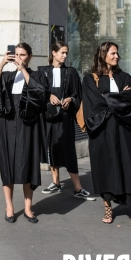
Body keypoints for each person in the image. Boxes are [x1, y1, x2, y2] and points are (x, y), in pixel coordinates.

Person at [82, 41, 131, 225]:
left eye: (117, 53)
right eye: (113, 53)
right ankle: (108, 208)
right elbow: (95, 105)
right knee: (105, 168)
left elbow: (129, 100)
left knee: (129, 166)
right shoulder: (89, 79)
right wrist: (117, 100)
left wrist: (109, 99)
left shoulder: (124, 77)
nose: (117, 56)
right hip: (102, 132)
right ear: (103, 55)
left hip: (123, 131)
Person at [0, 43, 49, 224]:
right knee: (8, 165)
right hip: (7, 124)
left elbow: (39, 93)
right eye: (17, 54)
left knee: (27, 164)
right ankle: (10, 207)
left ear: (29, 56)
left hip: (27, 126)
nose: (19, 58)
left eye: (23, 55)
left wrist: (24, 70)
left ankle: (28, 208)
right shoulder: (7, 76)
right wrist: (2, 64)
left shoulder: (36, 75)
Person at [38, 42, 95, 201]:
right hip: (48, 118)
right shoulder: (43, 72)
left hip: (65, 118)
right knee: (51, 148)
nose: (64, 56)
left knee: (69, 151)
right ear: (53, 53)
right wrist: (48, 95)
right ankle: (55, 182)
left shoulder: (71, 73)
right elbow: (37, 92)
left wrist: (70, 99)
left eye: (66, 53)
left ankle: (78, 188)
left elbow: (78, 94)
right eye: (62, 52)